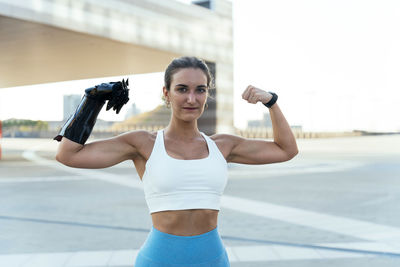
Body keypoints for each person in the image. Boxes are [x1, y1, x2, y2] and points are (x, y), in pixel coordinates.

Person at [54, 56, 298, 266]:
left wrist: (271, 102)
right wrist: (92, 102)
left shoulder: (223, 145)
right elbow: (68, 155)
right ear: (166, 93)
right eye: (182, 89)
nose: (191, 98)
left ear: (207, 95)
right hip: (160, 259)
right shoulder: (143, 143)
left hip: (212, 260)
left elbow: (286, 150)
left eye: (200, 90)